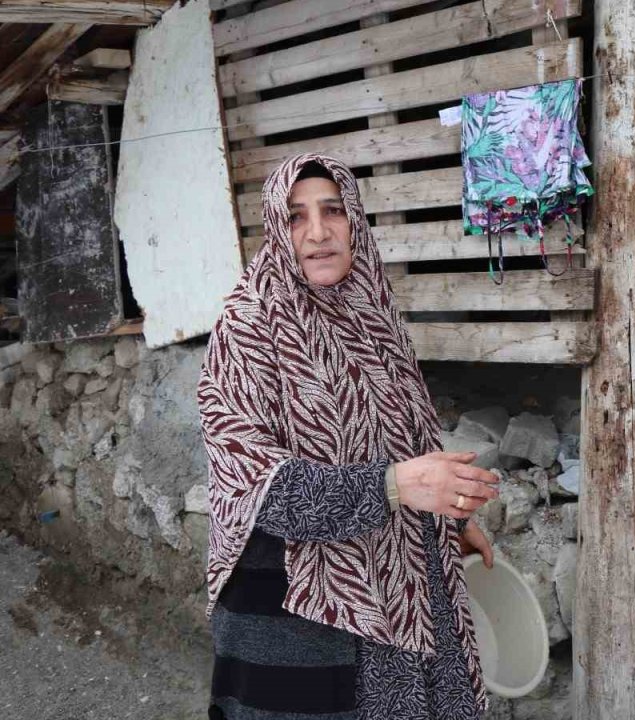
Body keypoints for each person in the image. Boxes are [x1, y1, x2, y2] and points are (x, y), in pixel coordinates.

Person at [198, 154, 497, 719]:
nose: (317, 232)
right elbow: (258, 487)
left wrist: (452, 518)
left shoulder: (371, 310)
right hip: (304, 604)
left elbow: (405, 436)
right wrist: (391, 487)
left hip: (402, 575)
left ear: (355, 220)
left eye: (333, 211)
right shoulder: (247, 326)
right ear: (274, 227)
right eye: (295, 216)